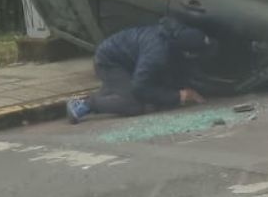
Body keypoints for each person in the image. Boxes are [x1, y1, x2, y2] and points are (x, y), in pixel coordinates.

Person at [66, 16, 214, 124]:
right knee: (133, 105)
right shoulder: (157, 54)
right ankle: (85, 105)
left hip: (131, 59)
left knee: (152, 98)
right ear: (187, 53)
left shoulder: (179, 36)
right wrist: (178, 96)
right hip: (109, 62)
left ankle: (108, 93)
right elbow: (140, 87)